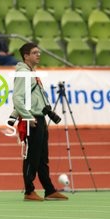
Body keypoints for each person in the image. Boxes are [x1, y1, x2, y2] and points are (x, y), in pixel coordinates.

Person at [12, 42, 67, 202]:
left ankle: (49, 189)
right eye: (35, 52)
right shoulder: (24, 74)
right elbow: (17, 98)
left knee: (43, 157)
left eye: (39, 52)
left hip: (39, 118)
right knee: (32, 157)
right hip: (32, 119)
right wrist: (28, 117)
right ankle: (29, 191)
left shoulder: (31, 73)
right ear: (26, 56)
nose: (38, 54)